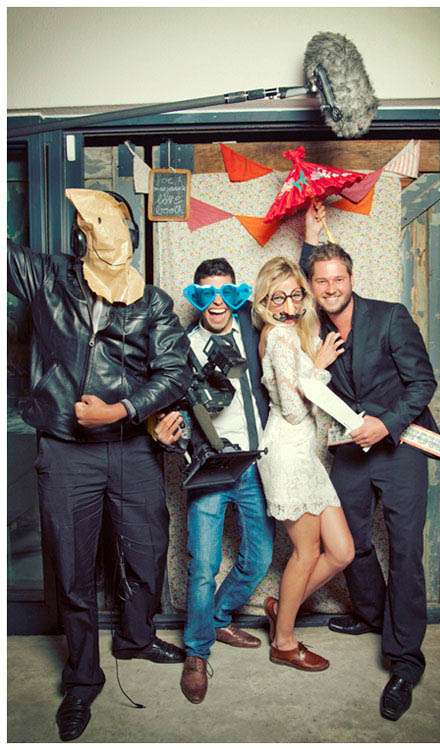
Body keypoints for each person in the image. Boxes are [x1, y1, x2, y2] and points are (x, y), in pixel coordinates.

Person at [7, 189, 192, 742]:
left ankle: (136, 636)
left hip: (132, 446)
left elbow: (175, 371)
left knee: (148, 550)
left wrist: (124, 409)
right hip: (66, 451)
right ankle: (83, 677)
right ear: (82, 233)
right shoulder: (47, 279)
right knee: (72, 569)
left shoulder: (153, 303)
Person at [301, 201, 439, 720]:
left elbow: (422, 382)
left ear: (351, 279)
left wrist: (388, 423)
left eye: (338, 278)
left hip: (400, 447)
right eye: (321, 280)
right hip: (350, 452)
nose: (330, 287)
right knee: (351, 541)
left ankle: (404, 661)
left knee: (404, 551)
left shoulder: (389, 316)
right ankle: (373, 614)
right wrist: (309, 236)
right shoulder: (312, 329)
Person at [155, 257, 274, 705]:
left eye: (226, 292)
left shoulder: (256, 333)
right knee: (203, 566)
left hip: (254, 466)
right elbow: (171, 411)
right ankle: (197, 651)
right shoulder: (182, 348)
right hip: (209, 469)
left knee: (259, 557)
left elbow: (297, 298)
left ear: (237, 296)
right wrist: (170, 434)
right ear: (196, 297)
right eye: (208, 293)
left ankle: (218, 617)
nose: (218, 301)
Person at [252, 256, 355, 672]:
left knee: (342, 551)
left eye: (296, 295)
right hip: (287, 451)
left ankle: (281, 607)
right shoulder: (279, 337)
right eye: (277, 298)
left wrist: (310, 365)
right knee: (307, 552)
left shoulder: (293, 333)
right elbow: (294, 412)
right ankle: (284, 642)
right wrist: (318, 367)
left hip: (305, 454)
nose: (290, 306)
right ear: (264, 302)